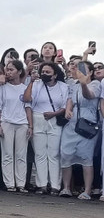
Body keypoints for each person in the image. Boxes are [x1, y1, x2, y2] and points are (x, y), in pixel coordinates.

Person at [22, 62, 68, 195]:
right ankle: (41, 184)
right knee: (40, 153)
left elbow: (65, 105)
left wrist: (54, 114)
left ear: (55, 74)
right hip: (38, 118)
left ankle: (55, 185)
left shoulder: (63, 87)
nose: (45, 74)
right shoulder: (37, 85)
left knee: (54, 154)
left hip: (54, 118)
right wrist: (31, 82)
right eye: (43, 72)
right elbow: (27, 99)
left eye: (48, 72)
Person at [60, 61, 101, 199]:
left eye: (83, 70)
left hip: (87, 123)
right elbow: (70, 99)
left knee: (86, 156)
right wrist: (68, 110)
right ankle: (66, 188)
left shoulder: (95, 84)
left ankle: (87, 190)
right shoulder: (74, 84)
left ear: (90, 73)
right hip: (73, 122)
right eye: (78, 70)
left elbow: (89, 95)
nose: (79, 72)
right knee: (66, 154)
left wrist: (84, 84)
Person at [0, 60, 32, 192]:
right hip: (6, 122)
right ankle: (9, 183)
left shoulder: (24, 88)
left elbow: (28, 107)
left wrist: (30, 126)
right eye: (7, 70)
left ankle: (21, 183)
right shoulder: (1, 87)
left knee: (21, 155)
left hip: (22, 123)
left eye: (11, 69)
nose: (8, 72)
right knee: (7, 154)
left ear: (19, 71)